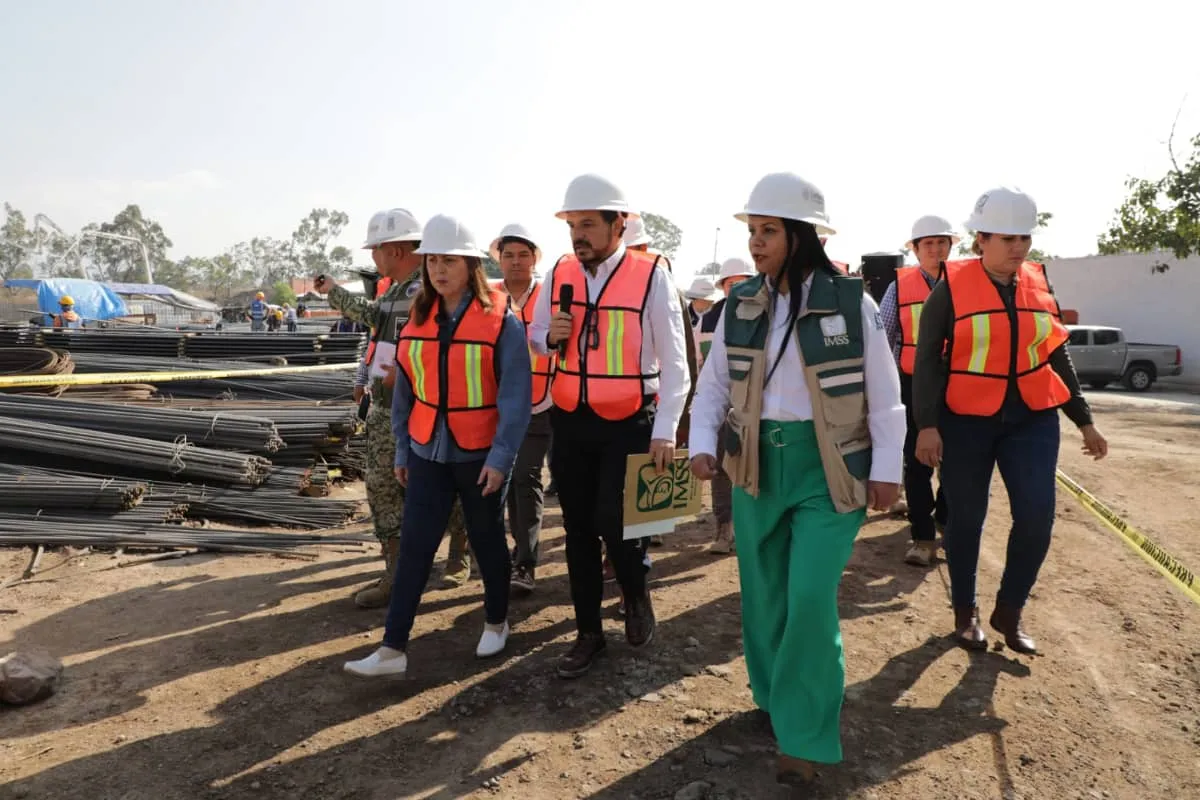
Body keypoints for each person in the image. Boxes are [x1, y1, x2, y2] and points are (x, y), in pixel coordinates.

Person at [689, 172, 905, 787]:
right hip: (757, 465)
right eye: (753, 230)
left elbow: (884, 396)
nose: (756, 242)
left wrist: (888, 469)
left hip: (830, 470)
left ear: (800, 234)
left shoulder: (850, 301)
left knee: (810, 597)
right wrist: (703, 445)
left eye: (769, 231)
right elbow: (713, 387)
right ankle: (774, 695)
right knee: (763, 594)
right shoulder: (739, 304)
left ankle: (806, 737)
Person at [913, 186, 1108, 655]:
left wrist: (1083, 420)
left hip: (1032, 417)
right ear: (981, 239)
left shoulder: (1039, 283)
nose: (1018, 248)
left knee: (1038, 517)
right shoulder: (950, 288)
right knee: (967, 518)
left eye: (1024, 238)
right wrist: (927, 424)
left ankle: (1010, 610)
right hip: (966, 420)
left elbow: (1055, 350)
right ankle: (965, 614)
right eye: (1007, 238)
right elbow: (925, 361)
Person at [343, 214, 531, 677]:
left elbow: (515, 399)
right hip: (428, 450)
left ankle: (496, 620)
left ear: (470, 266)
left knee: (487, 543)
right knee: (414, 549)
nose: (439, 270)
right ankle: (392, 649)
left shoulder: (501, 323)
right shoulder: (417, 318)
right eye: (433, 261)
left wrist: (501, 460)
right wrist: (405, 451)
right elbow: (405, 389)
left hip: (479, 455)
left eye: (450, 260)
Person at [530, 174, 691, 678]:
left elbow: (677, 363)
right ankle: (588, 634)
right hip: (571, 418)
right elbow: (535, 337)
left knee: (616, 522)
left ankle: (636, 593)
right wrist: (547, 338)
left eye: (588, 225)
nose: (578, 235)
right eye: (572, 225)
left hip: (630, 421)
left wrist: (666, 429)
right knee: (577, 529)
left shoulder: (651, 276)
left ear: (618, 224)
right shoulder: (560, 274)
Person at [315, 208, 467, 609]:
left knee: (439, 485)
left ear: (396, 249)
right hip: (388, 406)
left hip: (424, 407)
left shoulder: (428, 290)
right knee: (384, 487)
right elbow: (373, 321)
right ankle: (399, 574)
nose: (372, 258)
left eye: (376, 250)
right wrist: (332, 291)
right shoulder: (395, 290)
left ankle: (456, 557)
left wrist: (409, 373)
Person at [877, 215, 954, 566]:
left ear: (951, 246)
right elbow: (885, 337)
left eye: (941, 242)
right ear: (915, 249)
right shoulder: (899, 285)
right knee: (918, 463)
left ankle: (945, 518)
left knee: (957, 463)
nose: (935, 250)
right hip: (911, 386)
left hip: (959, 385)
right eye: (928, 244)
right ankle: (922, 537)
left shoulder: (967, 282)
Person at [490, 223, 554, 594]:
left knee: (525, 478)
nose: (515, 262)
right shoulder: (489, 296)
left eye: (523, 255)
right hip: (494, 406)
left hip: (540, 402)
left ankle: (525, 562)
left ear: (534, 260)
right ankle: (500, 557)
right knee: (499, 481)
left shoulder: (548, 296)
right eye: (508, 255)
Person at [695, 257, 754, 555]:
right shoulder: (709, 319)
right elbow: (702, 363)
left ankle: (749, 527)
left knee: (750, 466)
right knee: (719, 467)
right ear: (722, 287)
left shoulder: (765, 311)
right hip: (721, 401)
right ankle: (723, 527)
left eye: (743, 281)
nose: (738, 288)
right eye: (732, 284)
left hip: (755, 405)